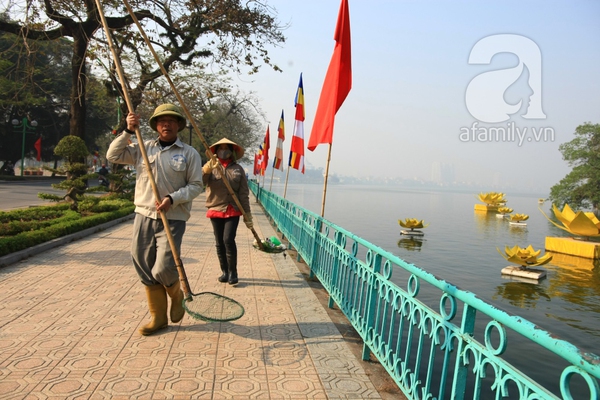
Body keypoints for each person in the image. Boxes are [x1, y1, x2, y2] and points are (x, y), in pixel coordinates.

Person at [107, 104, 203, 336]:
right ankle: (158, 318)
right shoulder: (143, 146)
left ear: (178, 125)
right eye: (162, 121)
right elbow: (113, 155)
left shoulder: (189, 153)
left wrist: (173, 198)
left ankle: (176, 294)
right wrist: (128, 131)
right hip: (144, 213)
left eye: (171, 121)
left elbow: (196, 185)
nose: (166, 125)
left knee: (162, 267)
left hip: (173, 217)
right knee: (142, 264)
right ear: (156, 126)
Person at [202, 138, 252, 285]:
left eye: (226, 148)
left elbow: (243, 193)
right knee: (219, 242)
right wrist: (206, 170)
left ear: (232, 152)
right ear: (216, 152)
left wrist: (247, 215)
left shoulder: (238, 169)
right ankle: (224, 271)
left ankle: (233, 272)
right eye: (220, 148)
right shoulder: (211, 167)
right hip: (216, 208)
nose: (223, 151)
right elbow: (199, 181)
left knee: (228, 240)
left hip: (233, 209)